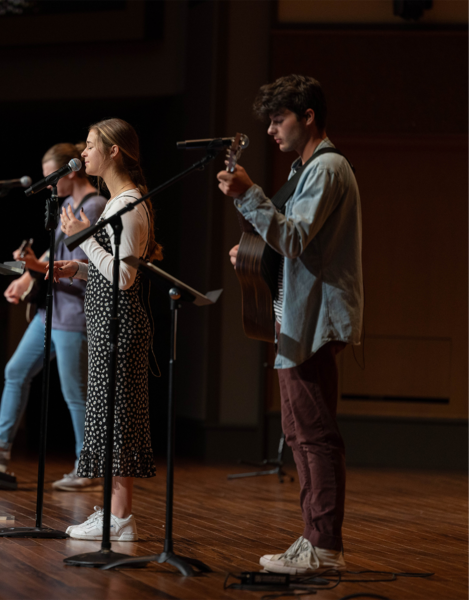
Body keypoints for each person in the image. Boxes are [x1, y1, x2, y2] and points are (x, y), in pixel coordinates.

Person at [217, 74, 362, 575]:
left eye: (278, 120)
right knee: (299, 431)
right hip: (297, 317)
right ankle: (314, 540)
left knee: (314, 432)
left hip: (315, 318)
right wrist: (253, 255)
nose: (272, 131)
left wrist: (249, 193)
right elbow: (291, 246)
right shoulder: (304, 171)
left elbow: (297, 238)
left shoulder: (326, 169)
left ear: (308, 117)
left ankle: (323, 546)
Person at [0, 143, 108, 492]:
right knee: (15, 371)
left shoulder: (96, 206)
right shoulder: (67, 206)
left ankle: (87, 464)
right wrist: (26, 274)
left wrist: (34, 266)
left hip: (74, 315)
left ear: (71, 171)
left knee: (75, 393)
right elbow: (52, 253)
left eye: (51, 177)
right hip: (50, 312)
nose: (48, 184)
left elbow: (91, 264)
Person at [51, 118, 162, 541]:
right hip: (105, 325)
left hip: (120, 325)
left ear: (115, 151)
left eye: (93, 144)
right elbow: (107, 268)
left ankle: (120, 518)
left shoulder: (129, 203)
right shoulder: (118, 202)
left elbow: (123, 278)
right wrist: (77, 267)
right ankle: (116, 514)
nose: (86, 151)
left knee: (116, 420)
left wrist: (83, 238)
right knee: (108, 419)